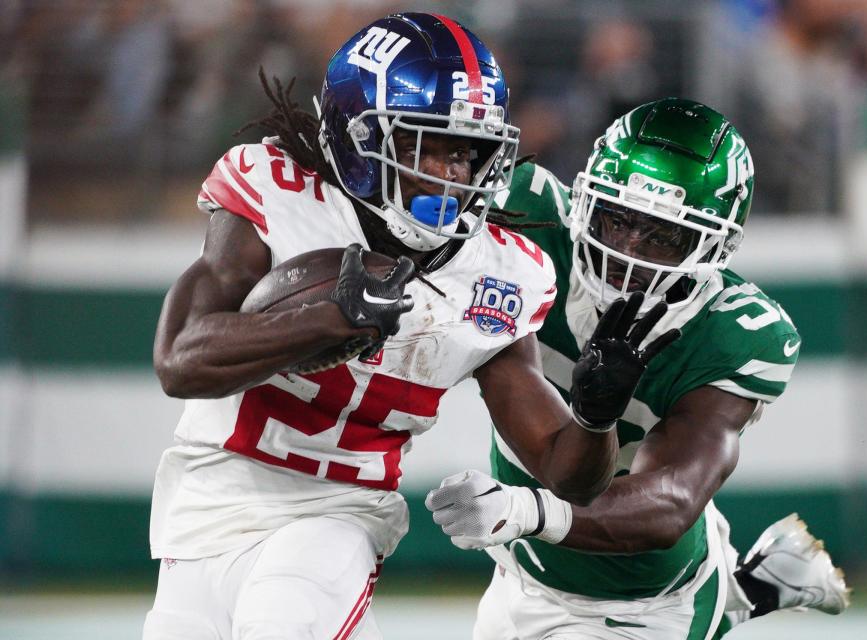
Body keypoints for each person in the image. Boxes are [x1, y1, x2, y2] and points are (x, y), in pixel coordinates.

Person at [144, 13, 676, 640]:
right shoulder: (283, 194)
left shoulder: (501, 270)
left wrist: (594, 416)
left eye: (469, 152)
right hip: (207, 497)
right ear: (355, 134)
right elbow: (180, 361)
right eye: (429, 146)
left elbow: (565, 472)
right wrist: (322, 320)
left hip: (338, 512)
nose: (455, 174)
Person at [425, 98, 851, 639]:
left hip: (638, 607)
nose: (628, 253)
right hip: (520, 575)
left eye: (663, 236)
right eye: (617, 219)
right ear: (583, 201)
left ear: (714, 246)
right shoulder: (524, 218)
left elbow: (671, 502)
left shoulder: (733, 332)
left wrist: (525, 510)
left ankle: (737, 596)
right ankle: (753, 589)